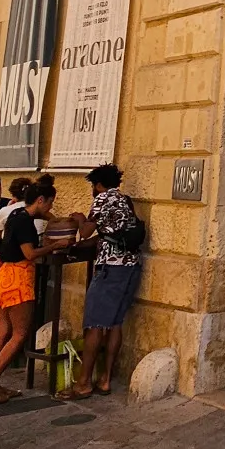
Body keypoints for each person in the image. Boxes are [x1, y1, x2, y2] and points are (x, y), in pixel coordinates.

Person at [0, 182, 72, 403]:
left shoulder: (16, 213)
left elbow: (40, 224)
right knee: (19, 334)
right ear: (40, 200)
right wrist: (55, 245)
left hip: (3, 276)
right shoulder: (26, 222)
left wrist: (55, 220)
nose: (49, 207)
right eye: (49, 203)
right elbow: (30, 254)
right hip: (18, 279)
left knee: (2, 333)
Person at [61, 164, 141, 399]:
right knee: (115, 323)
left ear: (97, 184)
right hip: (131, 265)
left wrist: (79, 219)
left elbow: (86, 231)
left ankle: (83, 383)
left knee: (95, 324)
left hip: (110, 268)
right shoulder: (125, 200)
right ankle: (105, 379)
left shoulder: (103, 198)